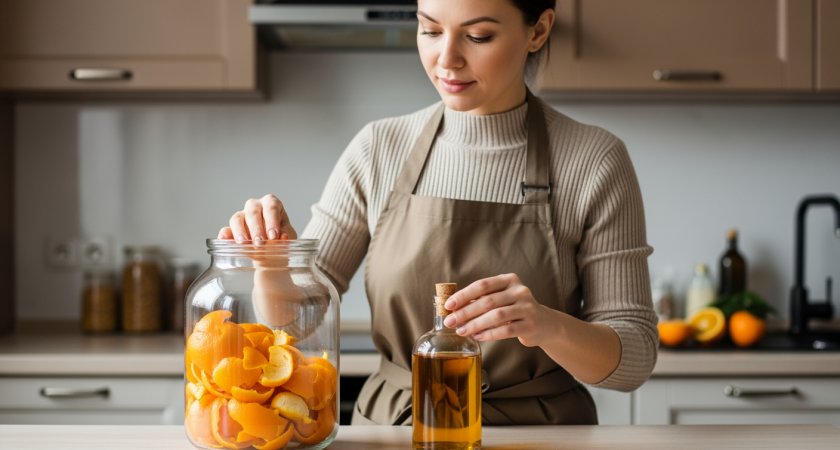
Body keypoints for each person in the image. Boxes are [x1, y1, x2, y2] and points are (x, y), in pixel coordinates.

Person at [218, 0, 658, 426]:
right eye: (429, 30)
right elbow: (297, 322)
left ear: (538, 30)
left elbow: (633, 357)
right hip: (399, 429)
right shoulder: (378, 150)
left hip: (543, 433)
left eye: (478, 35)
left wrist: (548, 326)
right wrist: (274, 267)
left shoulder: (594, 160)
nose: (446, 59)